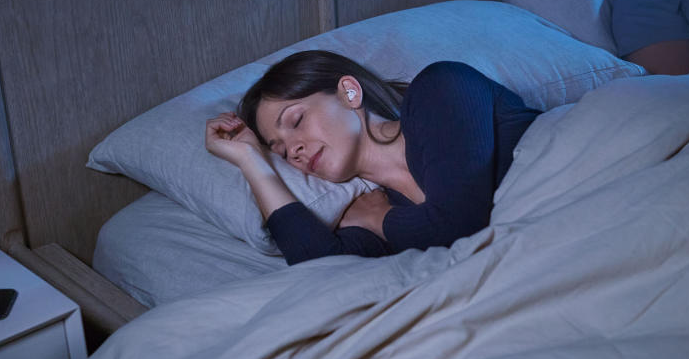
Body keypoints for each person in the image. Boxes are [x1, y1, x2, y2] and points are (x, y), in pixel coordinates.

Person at [205, 51, 538, 265]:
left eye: (296, 121)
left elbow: (460, 225)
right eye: (280, 151)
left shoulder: (440, 89)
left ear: (349, 92)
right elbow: (320, 269)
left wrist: (381, 219)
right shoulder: (374, 207)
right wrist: (252, 161)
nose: (293, 151)